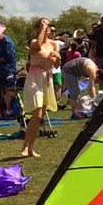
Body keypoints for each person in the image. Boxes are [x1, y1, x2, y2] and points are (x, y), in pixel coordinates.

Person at [21, 19, 59, 159]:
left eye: (48, 24)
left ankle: (30, 148)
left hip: (46, 79)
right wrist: (43, 29)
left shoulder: (53, 44)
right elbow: (37, 47)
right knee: (36, 114)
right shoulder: (33, 42)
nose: (48, 27)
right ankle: (25, 146)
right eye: (44, 24)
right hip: (34, 78)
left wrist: (57, 58)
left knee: (40, 116)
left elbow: (55, 65)